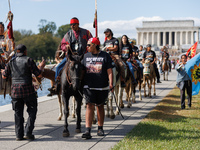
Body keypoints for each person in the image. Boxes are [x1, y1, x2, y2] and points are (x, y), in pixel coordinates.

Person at [1, 44, 45, 141]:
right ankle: (28, 132)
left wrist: (3, 71)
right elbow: (39, 75)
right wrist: (41, 67)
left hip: (15, 91)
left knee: (18, 113)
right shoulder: (29, 60)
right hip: (28, 89)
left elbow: (4, 76)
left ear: (17, 52)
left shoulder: (11, 61)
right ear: (25, 51)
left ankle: (19, 135)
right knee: (32, 111)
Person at [47, 17, 92, 96]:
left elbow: (92, 41)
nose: (72, 26)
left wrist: (91, 44)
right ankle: (56, 86)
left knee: (90, 68)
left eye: (74, 25)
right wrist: (65, 47)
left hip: (83, 56)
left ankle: (93, 85)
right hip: (71, 57)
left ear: (78, 24)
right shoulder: (68, 34)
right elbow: (62, 45)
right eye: (71, 25)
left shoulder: (86, 32)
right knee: (58, 67)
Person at [81, 37, 113, 139]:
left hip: (102, 86)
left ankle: (100, 128)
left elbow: (109, 71)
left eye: (89, 45)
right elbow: (81, 71)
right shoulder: (85, 56)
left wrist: (111, 83)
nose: (87, 47)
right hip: (88, 86)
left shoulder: (105, 56)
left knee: (100, 106)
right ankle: (87, 130)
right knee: (89, 106)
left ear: (95, 45)